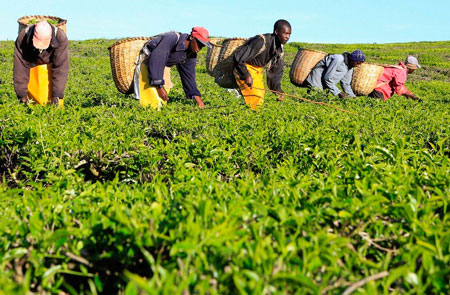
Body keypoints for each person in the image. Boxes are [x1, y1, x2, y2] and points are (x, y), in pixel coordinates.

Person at [138, 27, 211, 109]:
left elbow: (189, 76)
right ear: (191, 37)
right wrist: (159, 86)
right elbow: (157, 59)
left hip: (163, 67)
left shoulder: (191, 54)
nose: (199, 48)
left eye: (202, 46)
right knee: (151, 100)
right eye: (199, 44)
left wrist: (198, 99)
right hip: (149, 63)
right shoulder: (172, 38)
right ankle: (148, 118)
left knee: (162, 101)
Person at [233, 19, 291, 110]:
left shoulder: (279, 50)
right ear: (276, 32)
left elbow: (276, 72)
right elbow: (238, 57)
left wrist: (277, 90)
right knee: (256, 96)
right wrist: (246, 75)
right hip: (244, 69)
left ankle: (246, 112)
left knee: (260, 96)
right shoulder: (261, 41)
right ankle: (251, 117)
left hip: (257, 71)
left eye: (289, 34)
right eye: (285, 33)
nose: (287, 37)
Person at [14, 21, 69, 106]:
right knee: (31, 104)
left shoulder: (60, 37)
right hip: (31, 69)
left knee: (54, 104)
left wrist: (57, 94)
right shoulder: (23, 37)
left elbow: (60, 68)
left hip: (50, 70)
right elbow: (20, 67)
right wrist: (21, 94)